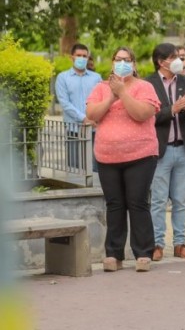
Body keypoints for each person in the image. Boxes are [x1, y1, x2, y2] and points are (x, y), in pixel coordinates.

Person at [86, 47, 160, 273]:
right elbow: (92, 115)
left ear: (134, 64)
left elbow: (142, 114)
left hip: (141, 155)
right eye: (118, 60)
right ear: (111, 63)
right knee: (114, 205)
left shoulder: (144, 87)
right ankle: (113, 254)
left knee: (137, 202)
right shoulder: (100, 88)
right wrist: (111, 95)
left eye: (127, 60)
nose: (122, 64)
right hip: (107, 156)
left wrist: (124, 93)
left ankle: (143, 253)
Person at [146, 43, 185, 262]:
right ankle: (157, 244)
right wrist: (173, 109)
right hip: (160, 150)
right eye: (173, 57)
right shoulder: (148, 85)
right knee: (159, 201)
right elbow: (148, 117)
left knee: (180, 201)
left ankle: (180, 243)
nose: (179, 60)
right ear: (161, 62)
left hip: (183, 149)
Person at [55, 43, 101, 172]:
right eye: (78, 55)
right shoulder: (62, 78)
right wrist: (84, 118)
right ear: (72, 57)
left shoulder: (96, 78)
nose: (82, 58)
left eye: (85, 56)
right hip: (73, 129)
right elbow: (64, 103)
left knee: (95, 167)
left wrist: (95, 118)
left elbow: (101, 100)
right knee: (74, 167)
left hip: (94, 129)